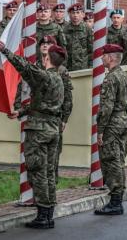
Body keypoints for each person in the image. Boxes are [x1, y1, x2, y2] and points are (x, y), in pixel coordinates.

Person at [0, 40, 66, 229]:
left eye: (44, 56)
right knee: (49, 172)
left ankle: (43, 215)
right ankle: (49, 213)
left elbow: (25, 67)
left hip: (39, 130)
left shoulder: (45, 76)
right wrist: (21, 112)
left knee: (38, 172)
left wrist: (6, 51)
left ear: (47, 59)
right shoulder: (58, 78)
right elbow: (42, 104)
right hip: (52, 128)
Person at [95, 44, 127, 216]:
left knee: (111, 161)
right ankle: (117, 198)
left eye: (103, 55)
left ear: (111, 57)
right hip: (123, 120)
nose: (102, 58)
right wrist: (124, 120)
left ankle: (116, 202)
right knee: (119, 159)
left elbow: (106, 107)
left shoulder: (110, 78)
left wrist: (101, 130)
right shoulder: (126, 77)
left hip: (111, 122)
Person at [38, 35, 73, 182]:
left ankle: (52, 181)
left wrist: (65, 118)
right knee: (37, 153)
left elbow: (67, 96)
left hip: (55, 117)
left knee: (54, 151)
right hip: (37, 115)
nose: (45, 46)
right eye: (43, 44)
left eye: (49, 43)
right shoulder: (34, 66)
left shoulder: (61, 70)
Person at [64, 3, 93, 71]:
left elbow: (91, 50)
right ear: (69, 14)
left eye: (78, 12)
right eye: (73, 13)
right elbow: (61, 49)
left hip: (83, 67)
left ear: (83, 14)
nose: (75, 15)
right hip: (68, 67)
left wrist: (91, 66)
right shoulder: (64, 29)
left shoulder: (87, 29)